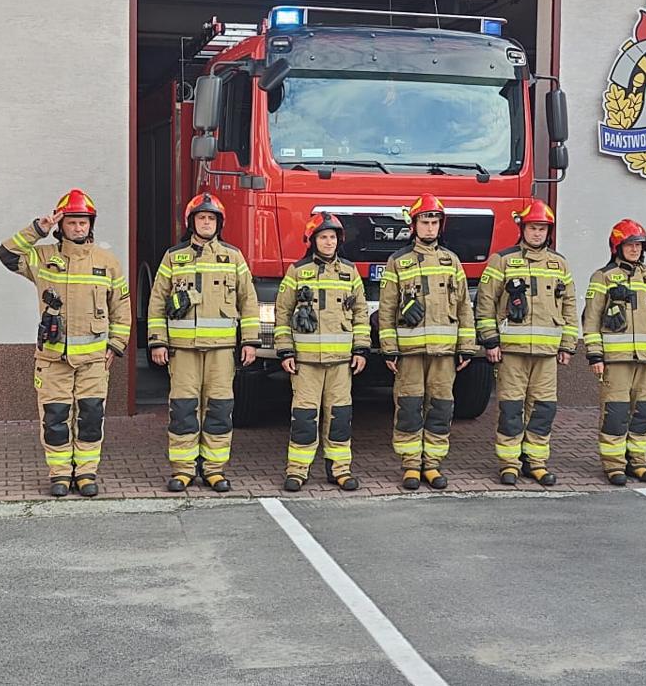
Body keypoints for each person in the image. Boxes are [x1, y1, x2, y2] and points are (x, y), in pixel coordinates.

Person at [0, 189, 131, 497]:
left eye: (83, 222)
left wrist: (116, 345)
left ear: (90, 225)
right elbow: (6, 253)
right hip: (53, 358)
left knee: (90, 418)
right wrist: (38, 228)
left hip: (94, 361)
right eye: (72, 222)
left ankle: (85, 473)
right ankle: (59, 475)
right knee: (55, 419)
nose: (78, 228)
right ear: (61, 225)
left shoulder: (107, 262)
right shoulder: (43, 258)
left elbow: (121, 308)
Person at [146, 192, 261, 492]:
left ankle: (214, 470)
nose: (206, 222)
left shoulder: (233, 257)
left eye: (211, 218)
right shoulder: (174, 257)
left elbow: (248, 301)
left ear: (219, 223)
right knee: (183, 409)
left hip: (222, 351)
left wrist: (250, 341)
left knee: (220, 409)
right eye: (201, 218)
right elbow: (157, 301)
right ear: (191, 222)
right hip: (182, 351)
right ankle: (183, 470)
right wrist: (157, 342)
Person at [475, 200, 577, 486]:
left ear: (549, 231)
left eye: (542, 229)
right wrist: (491, 342)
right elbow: (485, 303)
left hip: (547, 354)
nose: (537, 233)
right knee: (510, 408)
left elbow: (569, 305)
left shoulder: (560, 264)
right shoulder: (503, 260)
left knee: (543, 409)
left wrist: (568, 344)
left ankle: (536, 463)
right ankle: (509, 463)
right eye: (533, 228)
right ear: (523, 229)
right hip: (511, 352)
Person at [379, 193, 477, 490]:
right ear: (414, 225)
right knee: (408, 408)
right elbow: (387, 308)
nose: (430, 227)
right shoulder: (398, 261)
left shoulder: (452, 261)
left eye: (435, 221)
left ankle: (432, 465)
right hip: (409, 352)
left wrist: (467, 347)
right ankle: (410, 465)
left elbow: (463, 307)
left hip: (444, 354)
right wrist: (389, 349)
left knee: (440, 408)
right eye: (425, 221)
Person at [273, 212, 370, 492]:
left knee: (340, 417)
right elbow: (282, 313)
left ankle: (340, 470)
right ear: (312, 240)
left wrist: (361, 349)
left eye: (332, 237)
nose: (328, 242)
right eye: (323, 237)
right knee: (304, 418)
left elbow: (361, 314)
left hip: (341, 363)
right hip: (305, 363)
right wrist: (285, 351)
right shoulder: (297, 271)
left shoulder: (350, 272)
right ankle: (297, 471)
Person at [581, 219, 646, 486]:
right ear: (617, 247)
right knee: (615, 413)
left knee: (644, 412)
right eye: (629, 245)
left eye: (638, 245)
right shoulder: (602, 277)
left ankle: (638, 462)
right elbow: (590, 319)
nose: (634, 250)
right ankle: (613, 465)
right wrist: (595, 355)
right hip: (615, 361)